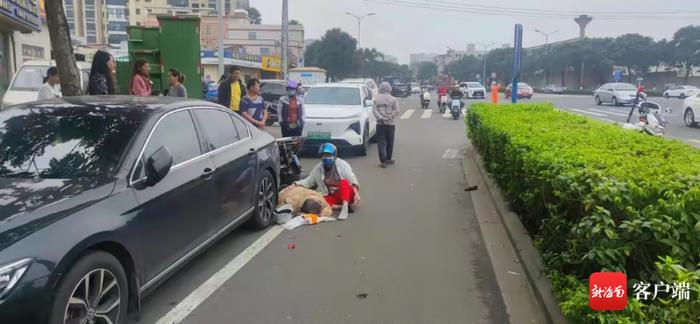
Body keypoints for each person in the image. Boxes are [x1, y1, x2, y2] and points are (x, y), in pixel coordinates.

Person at [292, 143, 360, 220]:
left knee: (343, 182)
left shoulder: (343, 165)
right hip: (331, 196)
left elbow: (352, 179)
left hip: (346, 194)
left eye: (328, 155)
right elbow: (308, 181)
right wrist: (295, 184)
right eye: (324, 155)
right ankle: (338, 207)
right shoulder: (318, 168)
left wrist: (356, 194)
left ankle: (345, 207)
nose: (325, 157)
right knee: (318, 201)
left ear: (334, 156)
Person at [373, 82, 400, 168]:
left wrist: (381, 118)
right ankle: (389, 158)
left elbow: (374, 110)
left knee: (381, 143)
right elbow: (396, 111)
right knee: (390, 142)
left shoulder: (376, 99)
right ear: (389, 88)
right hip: (390, 124)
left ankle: (383, 161)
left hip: (380, 124)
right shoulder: (393, 99)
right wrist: (388, 118)